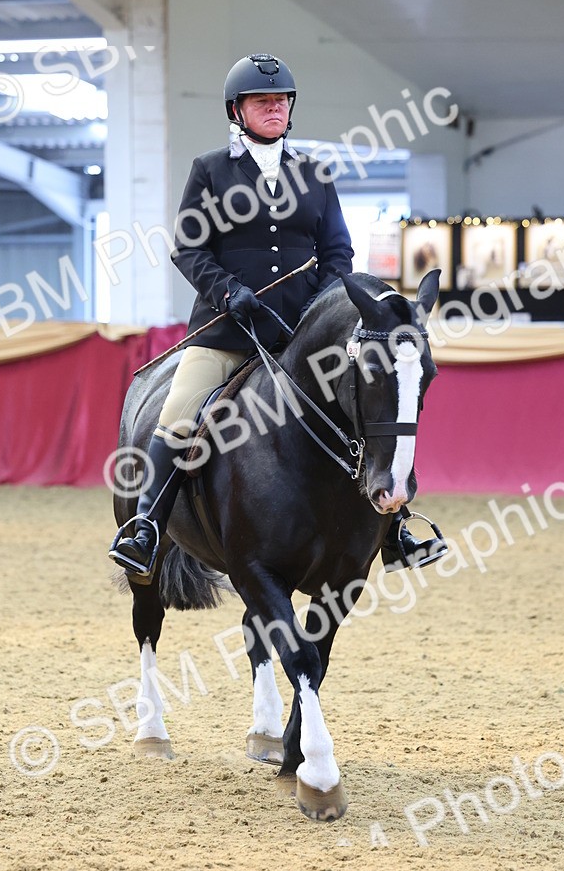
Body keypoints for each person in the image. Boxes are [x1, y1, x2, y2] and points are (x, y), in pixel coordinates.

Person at [109, 52, 443, 581]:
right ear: (236, 110)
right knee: (177, 413)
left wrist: (320, 308)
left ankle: (396, 524)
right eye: (262, 102)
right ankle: (147, 527)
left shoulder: (314, 173)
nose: (274, 109)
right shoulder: (210, 171)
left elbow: (337, 253)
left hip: (301, 336)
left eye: (281, 101)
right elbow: (189, 249)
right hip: (227, 331)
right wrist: (229, 293)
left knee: (370, 401)